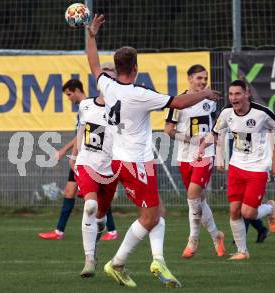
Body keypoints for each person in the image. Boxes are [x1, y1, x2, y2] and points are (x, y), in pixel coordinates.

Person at [86, 14, 220, 288]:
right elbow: (180, 102)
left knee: (158, 212)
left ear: (119, 67)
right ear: (135, 67)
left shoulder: (107, 85)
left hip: (121, 161)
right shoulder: (141, 94)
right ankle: (118, 263)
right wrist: (205, 94)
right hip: (137, 163)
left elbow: (94, 63)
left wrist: (91, 36)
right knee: (149, 217)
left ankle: (158, 260)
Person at [196, 80, 275, 260]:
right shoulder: (226, 112)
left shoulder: (262, 113)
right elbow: (216, 133)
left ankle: (270, 207)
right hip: (236, 167)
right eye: (231, 94)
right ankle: (243, 251)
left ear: (247, 94)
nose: (234, 97)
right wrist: (203, 146)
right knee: (234, 210)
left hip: (257, 169)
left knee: (248, 213)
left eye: (238, 94)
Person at [38, 75, 119, 241]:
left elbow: (84, 135)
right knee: (69, 191)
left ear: (76, 91)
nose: (68, 98)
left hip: (91, 158)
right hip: (81, 157)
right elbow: (79, 135)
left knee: (95, 196)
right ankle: (59, 231)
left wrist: (63, 151)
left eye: (69, 94)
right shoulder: (84, 107)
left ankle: (111, 230)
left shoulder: (92, 106)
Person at [164, 64, 225, 259]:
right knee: (199, 200)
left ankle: (193, 240)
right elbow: (168, 130)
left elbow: (217, 130)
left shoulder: (211, 102)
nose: (203, 82)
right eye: (199, 78)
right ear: (189, 79)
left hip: (205, 154)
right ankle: (217, 235)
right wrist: (190, 139)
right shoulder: (179, 101)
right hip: (184, 155)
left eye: (205, 78)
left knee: (192, 197)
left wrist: (217, 151)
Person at [72, 81, 118, 278]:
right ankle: (89, 259)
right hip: (86, 163)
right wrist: (74, 156)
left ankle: (94, 244)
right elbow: (81, 132)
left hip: (109, 170)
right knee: (89, 205)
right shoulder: (86, 105)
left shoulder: (123, 107)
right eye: (104, 75)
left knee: (101, 219)